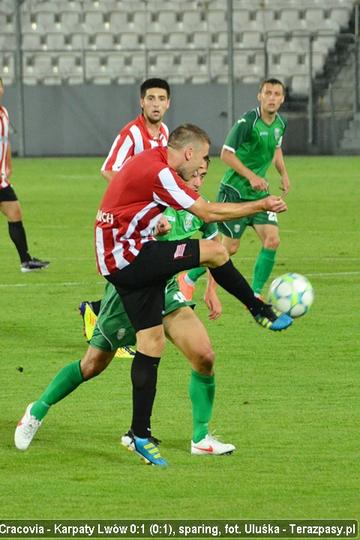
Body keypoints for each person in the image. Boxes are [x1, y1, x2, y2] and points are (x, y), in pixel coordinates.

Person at [16, 124, 291, 467]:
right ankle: (36, 411)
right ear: (188, 153)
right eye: (203, 160)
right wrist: (261, 204)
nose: (204, 169)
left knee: (175, 348)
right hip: (127, 267)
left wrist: (151, 225)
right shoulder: (163, 173)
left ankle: (152, 435)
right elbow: (206, 213)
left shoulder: (157, 166)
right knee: (92, 364)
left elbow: (129, 205)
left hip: (154, 274)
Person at [14, 167, 236, 461]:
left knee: (204, 355)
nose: (196, 182)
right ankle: (37, 411)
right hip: (129, 289)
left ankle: (200, 438)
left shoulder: (196, 206)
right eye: (191, 177)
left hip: (166, 290)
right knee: (92, 364)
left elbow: (214, 244)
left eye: (201, 176)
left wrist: (211, 289)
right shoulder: (152, 203)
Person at [178, 78, 290, 300]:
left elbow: (276, 149)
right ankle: (189, 278)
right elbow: (226, 154)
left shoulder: (280, 123)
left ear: (282, 99)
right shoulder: (247, 122)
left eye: (277, 94)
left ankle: (256, 294)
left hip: (260, 193)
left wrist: (283, 173)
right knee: (228, 249)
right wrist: (251, 176)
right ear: (259, 96)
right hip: (235, 192)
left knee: (272, 239)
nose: (272, 98)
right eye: (267, 93)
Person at [0, 78, 49, 272]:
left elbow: (5, 142)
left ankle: (26, 261)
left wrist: (8, 165)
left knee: (15, 213)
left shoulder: (4, 114)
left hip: (1, 181)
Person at [101, 77, 170, 183]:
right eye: (151, 98)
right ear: (142, 102)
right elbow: (108, 170)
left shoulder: (165, 130)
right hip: (141, 199)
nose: (156, 104)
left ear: (168, 103)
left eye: (161, 99)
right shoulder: (131, 133)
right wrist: (133, 193)